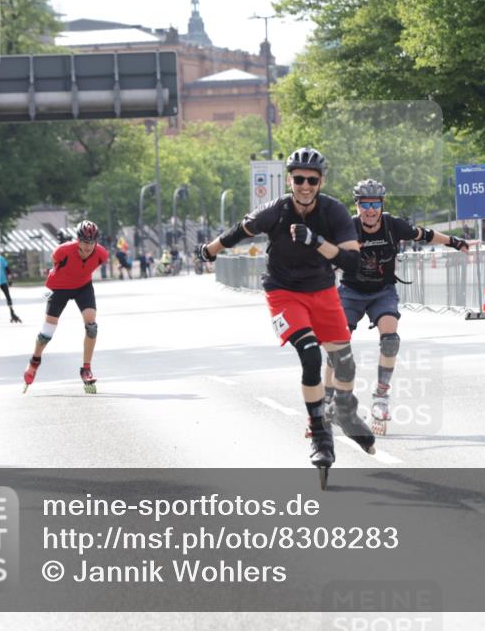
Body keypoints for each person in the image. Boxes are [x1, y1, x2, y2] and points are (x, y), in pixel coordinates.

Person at [196, 147, 375, 476]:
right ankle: (320, 436)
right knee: (310, 354)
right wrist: (210, 250)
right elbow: (239, 231)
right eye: (298, 179)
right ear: (289, 180)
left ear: (321, 181)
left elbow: (351, 261)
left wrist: (316, 240)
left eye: (312, 180)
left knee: (344, 363)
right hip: (284, 293)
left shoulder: (333, 212)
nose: (305, 186)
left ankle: (346, 411)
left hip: (323, 291)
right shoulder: (275, 210)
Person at [326, 179, 469, 435]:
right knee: (337, 343)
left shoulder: (393, 225)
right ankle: (328, 401)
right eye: (364, 204)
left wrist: (454, 242)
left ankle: (381, 396)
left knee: (390, 340)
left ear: (382, 205)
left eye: (375, 204)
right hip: (351, 293)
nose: (370, 210)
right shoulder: (347, 228)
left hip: (382, 291)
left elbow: (424, 235)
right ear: (356, 205)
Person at [22, 220, 109, 394]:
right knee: (47, 333)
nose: (88, 247)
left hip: (83, 287)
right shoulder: (63, 251)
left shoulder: (101, 254)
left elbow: (89, 268)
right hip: (59, 287)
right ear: (78, 240)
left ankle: (86, 369)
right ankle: (34, 361)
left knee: (91, 327)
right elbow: (55, 264)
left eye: (92, 243)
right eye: (84, 242)